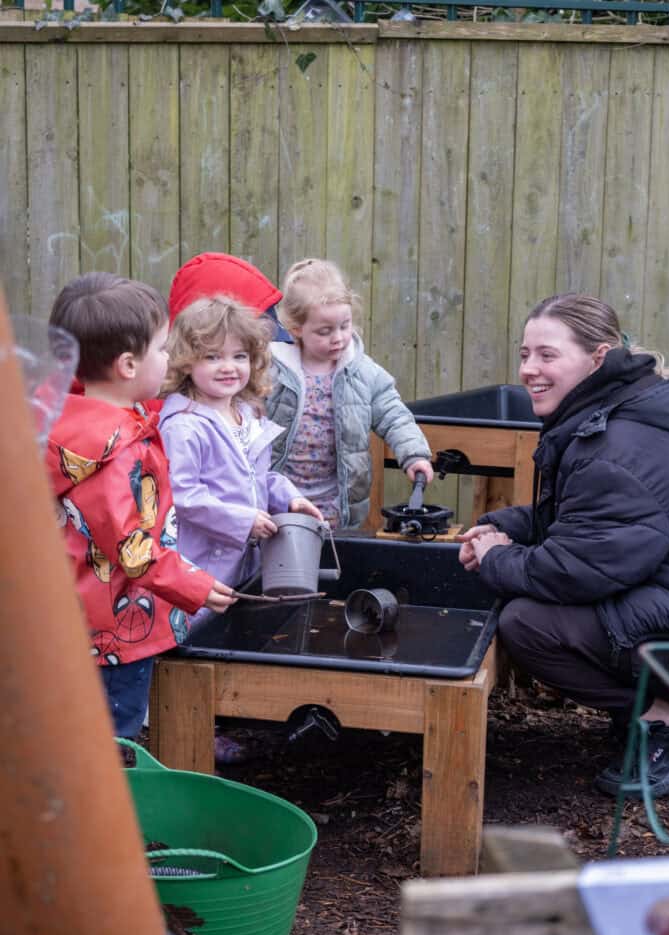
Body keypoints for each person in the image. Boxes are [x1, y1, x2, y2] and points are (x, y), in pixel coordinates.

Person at [458, 292, 669, 797]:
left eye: (548, 355)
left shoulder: (618, 444)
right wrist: (507, 526)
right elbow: (590, 520)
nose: (529, 369)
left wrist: (497, 556)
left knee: (529, 625)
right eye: (524, 354)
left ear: (598, 357)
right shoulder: (624, 408)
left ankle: (668, 719)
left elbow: (576, 569)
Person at [46, 272, 236, 739]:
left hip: (79, 622)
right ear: (128, 365)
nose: (170, 357)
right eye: (163, 348)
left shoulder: (76, 425)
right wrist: (191, 583)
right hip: (114, 630)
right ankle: (107, 810)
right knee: (112, 742)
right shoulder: (112, 452)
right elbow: (131, 547)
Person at [158, 294, 322, 598]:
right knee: (201, 634)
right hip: (203, 566)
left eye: (239, 356)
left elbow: (258, 477)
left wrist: (289, 499)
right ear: (186, 361)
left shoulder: (246, 414)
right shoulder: (184, 425)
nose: (228, 367)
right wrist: (243, 521)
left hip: (246, 563)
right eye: (212, 357)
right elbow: (183, 495)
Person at [266, 258, 434, 528]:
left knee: (333, 567)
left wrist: (413, 454)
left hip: (337, 503)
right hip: (282, 501)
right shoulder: (275, 371)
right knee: (287, 567)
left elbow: (394, 415)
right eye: (325, 331)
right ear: (296, 329)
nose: (338, 337)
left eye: (345, 325)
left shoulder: (362, 373)